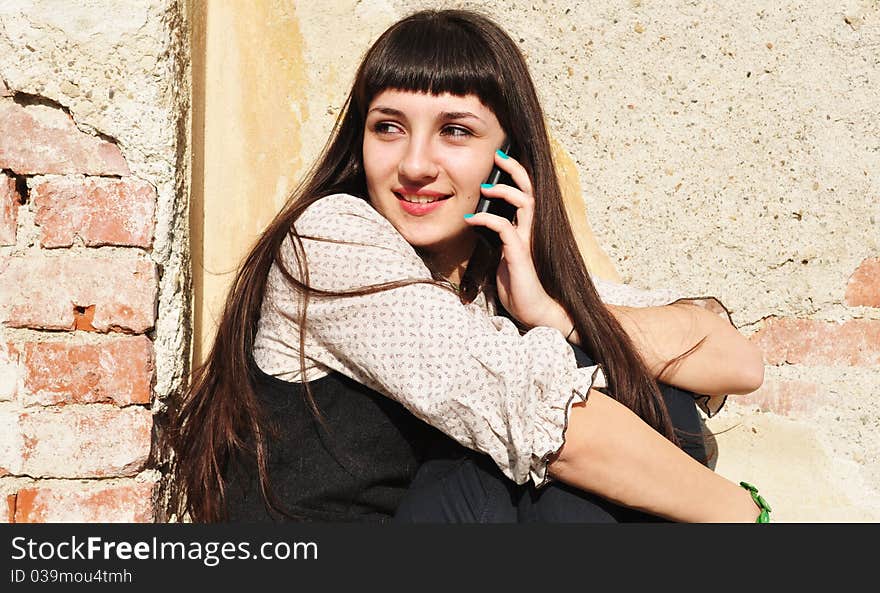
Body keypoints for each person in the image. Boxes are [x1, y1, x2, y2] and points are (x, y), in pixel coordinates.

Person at [165, 8, 768, 523]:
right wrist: (745, 515)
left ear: (506, 160)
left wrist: (554, 314)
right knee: (571, 448)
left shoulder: (494, 278)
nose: (416, 164)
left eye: (454, 131)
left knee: (649, 391)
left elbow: (733, 361)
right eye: (388, 129)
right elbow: (549, 429)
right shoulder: (329, 240)